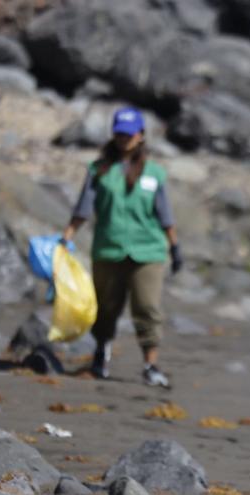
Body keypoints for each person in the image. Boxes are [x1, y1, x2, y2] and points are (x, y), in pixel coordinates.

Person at [60, 106, 182, 388]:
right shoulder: (99, 170)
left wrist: (175, 248)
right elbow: (83, 209)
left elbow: (165, 216)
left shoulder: (154, 174)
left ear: (141, 136)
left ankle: (151, 365)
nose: (124, 139)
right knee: (106, 307)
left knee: (147, 307)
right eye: (120, 134)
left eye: (130, 134)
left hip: (148, 252)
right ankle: (100, 358)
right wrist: (66, 236)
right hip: (109, 249)